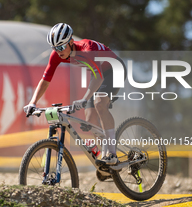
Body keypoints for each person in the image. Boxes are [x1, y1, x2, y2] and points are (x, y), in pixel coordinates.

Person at [23, 23, 126, 166]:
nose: (58, 51)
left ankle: (112, 154)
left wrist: (84, 99)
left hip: (114, 70)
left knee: (99, 104)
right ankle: (104, 158)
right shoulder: (57, 55)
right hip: (98, 73)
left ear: (71, 42)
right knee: (90, 117)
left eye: (60, 47)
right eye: (54, 47)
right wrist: (32, 102)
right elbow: (45, 80)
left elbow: (99, 77)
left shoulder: (87, 49)